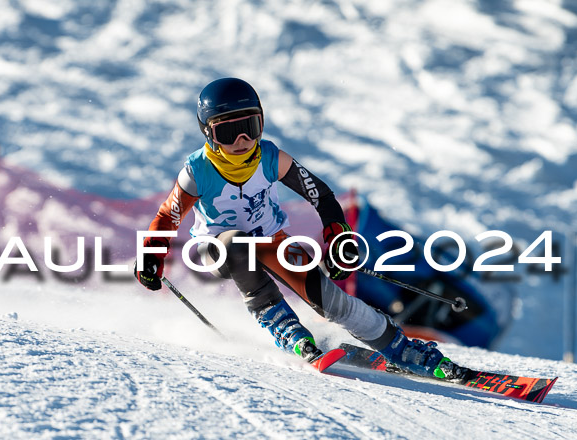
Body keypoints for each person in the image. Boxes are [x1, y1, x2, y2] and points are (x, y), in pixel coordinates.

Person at [135, 77, 458, 379]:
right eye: (228, 132)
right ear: (208, 133)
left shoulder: (272, 157)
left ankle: (400, 349)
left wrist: (337, 232)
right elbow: (168, 216)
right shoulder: (197, 170)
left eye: (250, 127)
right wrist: (151, 253)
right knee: (237, 245)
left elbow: (320, 194)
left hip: (271, 239)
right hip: (219, 248)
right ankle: (286, 328)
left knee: (330, 300)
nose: (242, 141)